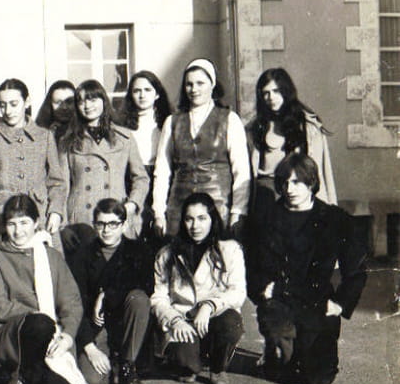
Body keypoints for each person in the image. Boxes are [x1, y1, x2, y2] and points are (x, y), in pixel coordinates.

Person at [247, 153, 367, 384]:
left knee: (318, 378)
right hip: (280, 301)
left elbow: (356, 268)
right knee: (281, 368)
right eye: (284, 182)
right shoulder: (267, 219)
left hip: (316, 302)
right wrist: (262, 293)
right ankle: (275, 349)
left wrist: (340, 303)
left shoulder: (334, 219)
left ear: (311, 182)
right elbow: (251, 265)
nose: (289, 189)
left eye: (297, 182)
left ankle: (298, 351)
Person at [0, 194, 89, 384]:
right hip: (11, 333)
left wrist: (67, 336)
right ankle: (13, 370)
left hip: (51, 332)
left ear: (36, 223)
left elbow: (71, 302)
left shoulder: (51, 256)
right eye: (12, 224)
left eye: (24, 223)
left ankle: (30, 370)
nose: (18, 231)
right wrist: (34, 314)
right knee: (40, 323)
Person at [150, 192, 245, 384]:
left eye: (202, 218)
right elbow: (158, 298)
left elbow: (237, 292)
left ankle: (218, 367)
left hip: (213, 318)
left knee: (231, 321)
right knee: (187, 365)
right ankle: (190, 361)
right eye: (189, 219)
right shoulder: (167, 254)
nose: (195, 226)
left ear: (212, 219)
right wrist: (175, 321)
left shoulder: (230, 249)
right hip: (183, 320)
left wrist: (209, 306)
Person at [153, 59, 251, 238]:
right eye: (189, 84)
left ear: (212, 85)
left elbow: (241, 171)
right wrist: (159, 211)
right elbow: (163, 170)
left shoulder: (229, 119)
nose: (194, 89)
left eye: (200, 83)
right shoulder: (172, 122)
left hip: (218, 208)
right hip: (180, 209)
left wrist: (237, 211)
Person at [68, 198, 155, 384]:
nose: (106, 230)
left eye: (113, 224)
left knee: (139, 298)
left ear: (123, 225)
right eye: (101, 224)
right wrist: (90, 347)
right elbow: (74, 303)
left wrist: (106, 295)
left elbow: (146, 286)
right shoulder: (82, 255)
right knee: (93, 382)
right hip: (96, 329)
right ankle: (110, 363)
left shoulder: (138, 250)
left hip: (126, 327)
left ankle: (127, 367)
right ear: (94, 225)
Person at [58, 79, 149, 252]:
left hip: (115, 216)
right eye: (81, 101)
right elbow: (61, 186)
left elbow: (141, 178)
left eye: (92, 99)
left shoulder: (124, 137)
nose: (87, 106)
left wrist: (131, 205)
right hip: (82, 220)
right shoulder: (68, 141)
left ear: (103, 101)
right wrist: (63, 225)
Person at [0, 78, 66, 249]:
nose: (8, 111)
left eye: (14, 104)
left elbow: (56, 182)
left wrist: (56, 212)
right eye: (2, 105)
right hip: (2, 222)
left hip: (40, 219)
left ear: (27, 102)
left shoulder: (44, 137)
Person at [247, 67, 337, 208]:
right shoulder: (256, 128)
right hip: (267, 199)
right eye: (266, 93)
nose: (271, 97)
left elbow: (319, 172)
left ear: (286, 91)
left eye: (276, 91)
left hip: (298, 196)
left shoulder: (308, 127)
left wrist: (326, 210)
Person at [119, 70, 173, 245]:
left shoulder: (168, 122)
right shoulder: (122, 125)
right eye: (137, 91)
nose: (142, 95)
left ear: (157, 94)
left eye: (147, 90)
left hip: (161, 179)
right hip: (132, 179)